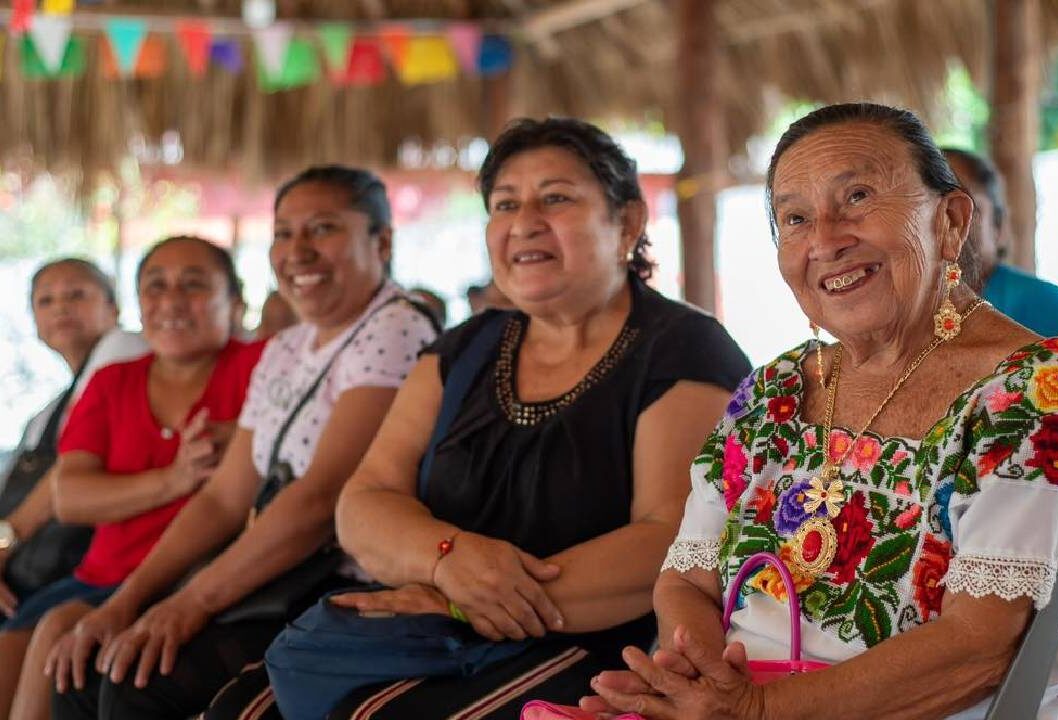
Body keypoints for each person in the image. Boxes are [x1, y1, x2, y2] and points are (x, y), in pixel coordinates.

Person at [205, 117, 752, 720]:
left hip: (600, 641)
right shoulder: (464, 349)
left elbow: (669, 537)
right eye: (505, 204)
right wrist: (446, 558)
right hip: (435, 625)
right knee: (242, 706)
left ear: (627, 222)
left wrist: (466, 599)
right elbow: (363, 501)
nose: (524, 223)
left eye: (556, 198)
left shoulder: (684, 347)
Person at [582, 104, 1058, 720]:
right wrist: (707, 695)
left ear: (950, 219)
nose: (826, 240)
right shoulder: (776, 390)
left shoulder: (1032, 389)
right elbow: (685, 582)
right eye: (796, 218)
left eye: (857, 197)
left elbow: (981, 646)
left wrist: (755, 710)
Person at [46, 165, 438, 720]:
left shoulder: (395, 329)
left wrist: (189, 603)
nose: (298, 251)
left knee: (140, 682)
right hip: (280, 574)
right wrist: (127, 602)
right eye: (284, 233)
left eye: (322, 229)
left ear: (382, 242)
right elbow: (224, 498)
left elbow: (319, 500)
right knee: (86, 664)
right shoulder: (287, 347)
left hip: (350, 584)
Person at [0, 237, 260, 720]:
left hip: (201, 575)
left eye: (194, 284)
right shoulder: (112, 380)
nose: (172, 301)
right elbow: (71, 497)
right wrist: (177, 478)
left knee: (62, 636)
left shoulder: (263, 367)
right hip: (100, 576)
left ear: (236, 300)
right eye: (156, 286)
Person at [0, 259, 147, 718]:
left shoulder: (124, 350)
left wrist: (5, 541)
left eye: (77, 294)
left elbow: (69, 472)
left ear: (113, 307)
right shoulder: (46, 412)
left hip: (91, 558)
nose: (61, 307)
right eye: (46, 300)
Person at [943, 148, 1058, 336]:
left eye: (967, 207)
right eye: (932, 205)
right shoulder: (903, 307)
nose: (951, 218)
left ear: (998, 227)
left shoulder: (1042, 302)